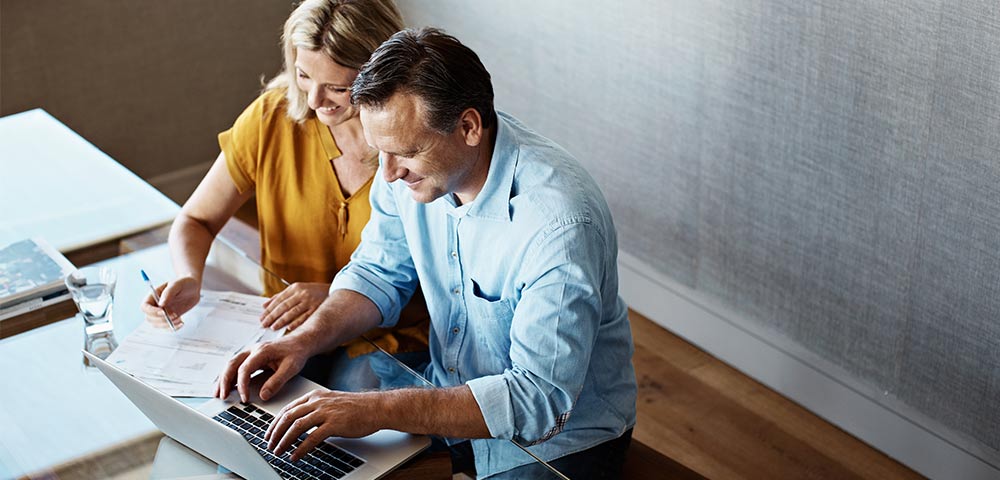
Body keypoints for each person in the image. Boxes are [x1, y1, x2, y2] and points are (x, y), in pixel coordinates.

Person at [217, 28, 637, 478]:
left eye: (406, 154)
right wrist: (301, 340)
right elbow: (378, 273)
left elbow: (539, 400)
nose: (390, 174)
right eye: (381, 153)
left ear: (470, 127)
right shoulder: (405, 164)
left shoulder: (559, 226)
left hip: (555, 442)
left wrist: (376, 411)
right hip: (446, 387)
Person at [140, 0, 428, 390]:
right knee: (239, 393)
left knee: (351, 403)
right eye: (303, 76)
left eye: (338, 88)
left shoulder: (414, 141)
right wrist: (189, 277)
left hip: (385, 333)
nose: (314, 101)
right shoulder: (272, 117)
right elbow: (197, 219)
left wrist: (335, 296)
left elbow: (444, 277)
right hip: (286, 327)